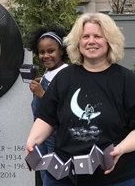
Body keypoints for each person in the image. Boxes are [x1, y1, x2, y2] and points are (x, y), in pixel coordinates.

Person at [26, 13, 135, 186]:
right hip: (63, 176)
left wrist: (120, 149)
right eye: (86, 36)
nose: (91, 41)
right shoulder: (63, 78)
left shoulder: (127, 81)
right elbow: (47, 117)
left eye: (98, 36)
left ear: (109, 41)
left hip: (116, 177)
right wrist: (33, 141)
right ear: (78, 42)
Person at [27, 25, 69, 185]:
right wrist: (41, 82)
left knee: (53, 174)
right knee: (43, 171)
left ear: (62, 51)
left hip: (55, 136)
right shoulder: (49, 73)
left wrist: (41, 94)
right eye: (42, 52)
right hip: (42, 134)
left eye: (51, 51)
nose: (46, 56)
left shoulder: (66, 75)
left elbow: (63, 109)